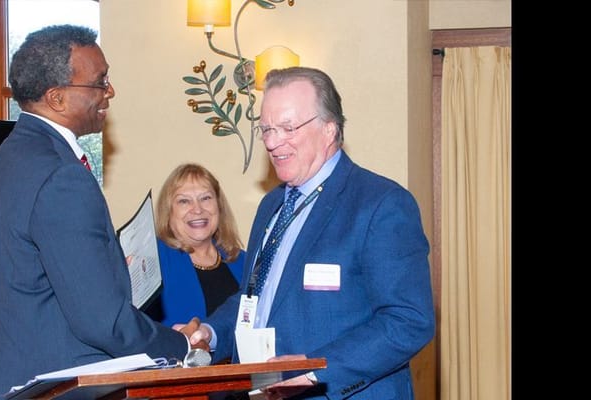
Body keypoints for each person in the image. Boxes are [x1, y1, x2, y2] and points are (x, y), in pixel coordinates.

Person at [0, 25, 203, 400]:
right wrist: (179, 347)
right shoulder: (61, 176)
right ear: (57, 98)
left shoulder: (7, 159)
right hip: (55, 388)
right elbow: (102, 322)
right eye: (100, 81)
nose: (110, 92)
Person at [182, 67, 435, 400]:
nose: (272, 142)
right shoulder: (272, 205)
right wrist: (211, 333)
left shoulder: (380, 204)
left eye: (287, 128)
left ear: (328, 129)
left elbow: (408, 320)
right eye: (267, 129)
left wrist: (317, 370)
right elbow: (255, 298)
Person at [151, 163, 247, 329]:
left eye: (205, 198)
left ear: (219, 206)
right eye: (184, 201)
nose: (197, 209)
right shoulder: (153, 260)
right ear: (169, 212)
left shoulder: (243, 261)